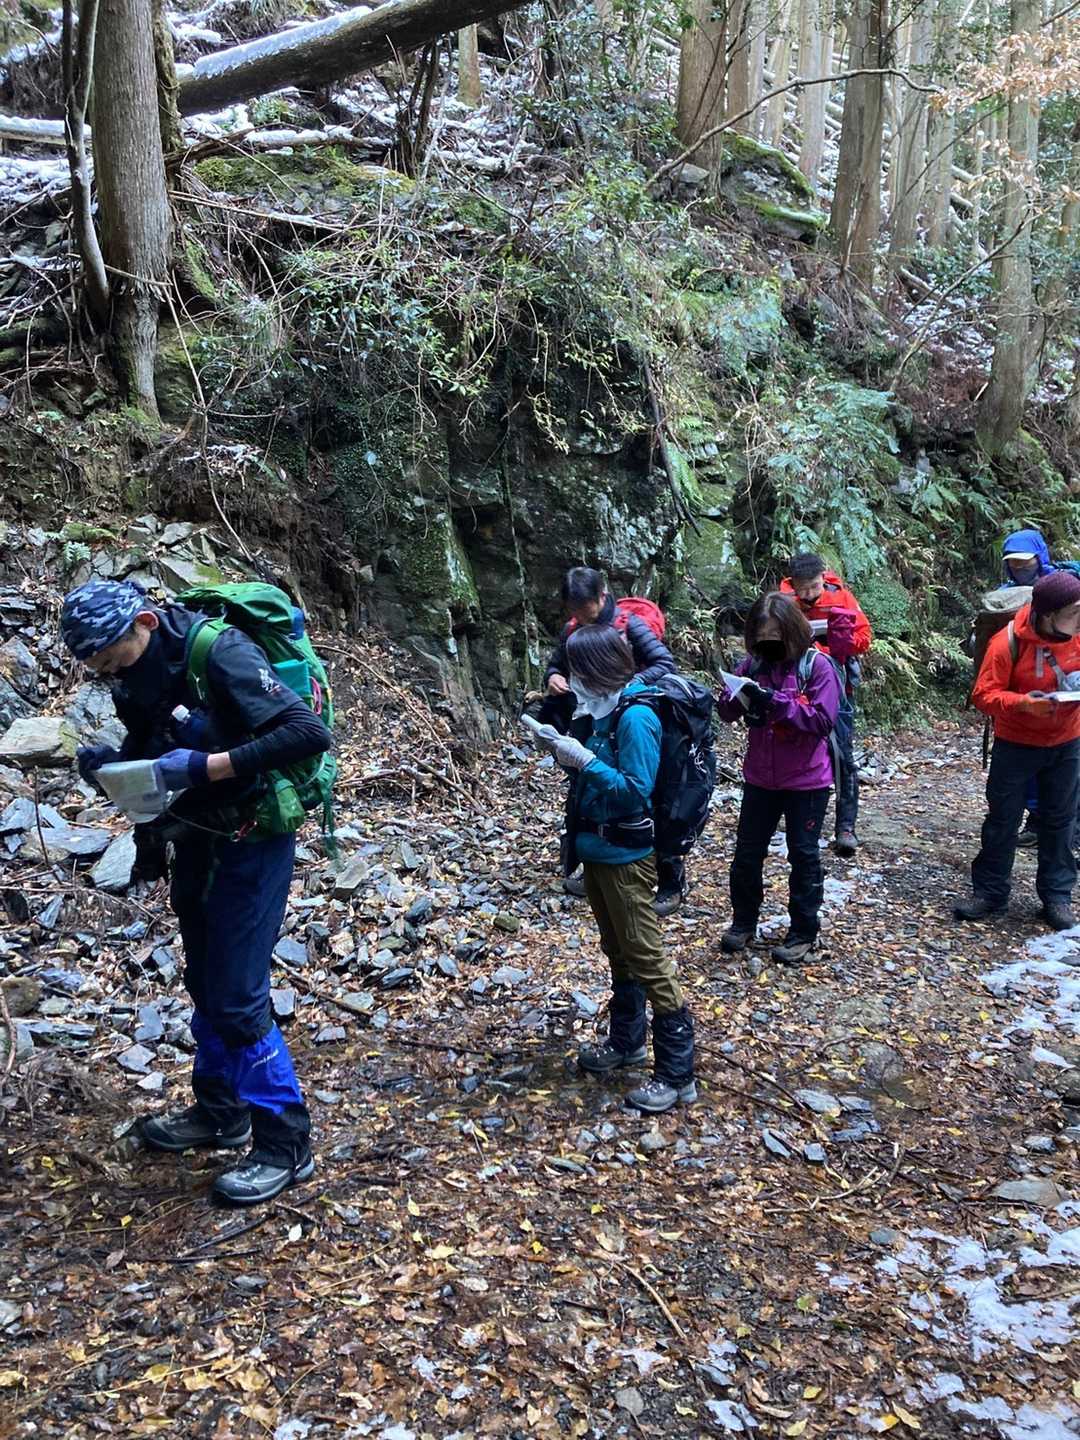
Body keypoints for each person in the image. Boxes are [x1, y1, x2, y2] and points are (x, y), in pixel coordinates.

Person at [60, 578, 332, 1205]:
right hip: (196, 836)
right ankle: (220, 1111)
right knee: (205, 983)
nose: (108, 673)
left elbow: (305, 732)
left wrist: (205, 766)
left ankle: (286, 1144)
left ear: (146, 623)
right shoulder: (134, 675)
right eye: (97, 667)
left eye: (112, 659)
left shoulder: (223, 653)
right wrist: (113, 766)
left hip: (253, 837)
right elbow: (153, 749)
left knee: (237, 997)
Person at [532, 625, 695, 1113]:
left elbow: (635, 792)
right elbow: (596, 779)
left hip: (626, 858)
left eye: (578, 671)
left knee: (646, 955)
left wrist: (584, 761)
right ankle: (628, 1042)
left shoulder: (636, 716)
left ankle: (677, 1074)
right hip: (598, 853)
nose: (571, 680)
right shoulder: (600, 713)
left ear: (599, 671)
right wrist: (564, 749)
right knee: (618, 950)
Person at [541, 567, 685, 913]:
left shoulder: (629, 624)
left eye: (585, 608)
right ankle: (594, 863)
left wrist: (625, 686)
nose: (580, 616)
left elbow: (665, 663)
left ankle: (670, 881)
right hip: (590, 717)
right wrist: (554, 676)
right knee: (586, 784)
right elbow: (557, 664)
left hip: (630, 717)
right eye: (573, 610)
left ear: (601, 597)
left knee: (653, 796)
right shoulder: (572, 629)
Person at [715, 592, 843, 965]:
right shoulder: (751, 666)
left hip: (807, 781)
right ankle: (743, 923)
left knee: (803, 855)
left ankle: (803, 932)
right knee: (746, 854)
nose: (768, 643)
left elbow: (822, 720)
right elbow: (726, 712)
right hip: (760, 777)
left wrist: (775, 702)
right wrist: (737, 697)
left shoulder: (816, 667)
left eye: (775, 636)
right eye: (761, 636)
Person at [955, 570, 1080, 931]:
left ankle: (1057, 896)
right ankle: (990, 893)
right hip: (1016, 745)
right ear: (1048, 615)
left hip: (1067, 741)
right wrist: (1024, 704)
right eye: (1074, 612)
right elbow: (983, 695)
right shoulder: (1006, 642)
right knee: (1003, 819)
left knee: (1061, 820)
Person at [780, 553, 871, 857]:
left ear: (823, 578)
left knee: (842, 754)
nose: (809, 594)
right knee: (796, 753)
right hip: (794, 688)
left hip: (838, 687)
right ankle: (798, 820)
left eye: (814, 587)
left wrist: (837, 643)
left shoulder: (842, 598)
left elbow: (864, 637)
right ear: (793, 584)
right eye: (803, 589)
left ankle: (846, 827)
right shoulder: (783, 602)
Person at [998, 529, 1060, 845]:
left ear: (1040, 558)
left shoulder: (1063, 588)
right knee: (1027, 762)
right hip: (1020, 693)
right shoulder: (1003, 595)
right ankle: (1035, 821)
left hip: (1062, 687)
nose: (1021, 568)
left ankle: (1062, 827)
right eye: (1014, 563)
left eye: (1026, 562)